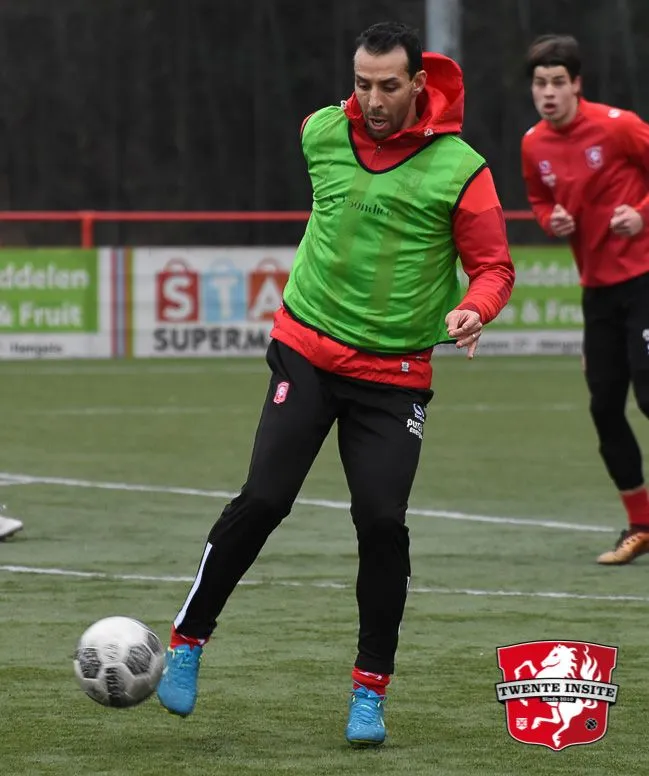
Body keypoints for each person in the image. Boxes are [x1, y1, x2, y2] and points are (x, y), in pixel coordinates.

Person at [157, 21, 515, 746]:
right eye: (361, 84)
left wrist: (474, 310)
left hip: (394, 375)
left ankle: (368, 692)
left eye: (388, 86)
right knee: (264, 499)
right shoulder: (319, 132)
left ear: (418, 84)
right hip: (307, 350)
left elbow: (494, 267)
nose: (373, 100)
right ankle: (187, 642)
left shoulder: (462, 169)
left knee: (381, 522)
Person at [521, 34, 649, 565]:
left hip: (645, 278)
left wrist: (642, 214)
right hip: (596, 291)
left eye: (558, 82)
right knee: (604, 407)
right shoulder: (533, 145)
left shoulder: (619, 126)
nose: (548, 93)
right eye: (539, 83)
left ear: (577, 84)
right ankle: (641, 524)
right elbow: (539, 197)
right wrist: (549, 219)